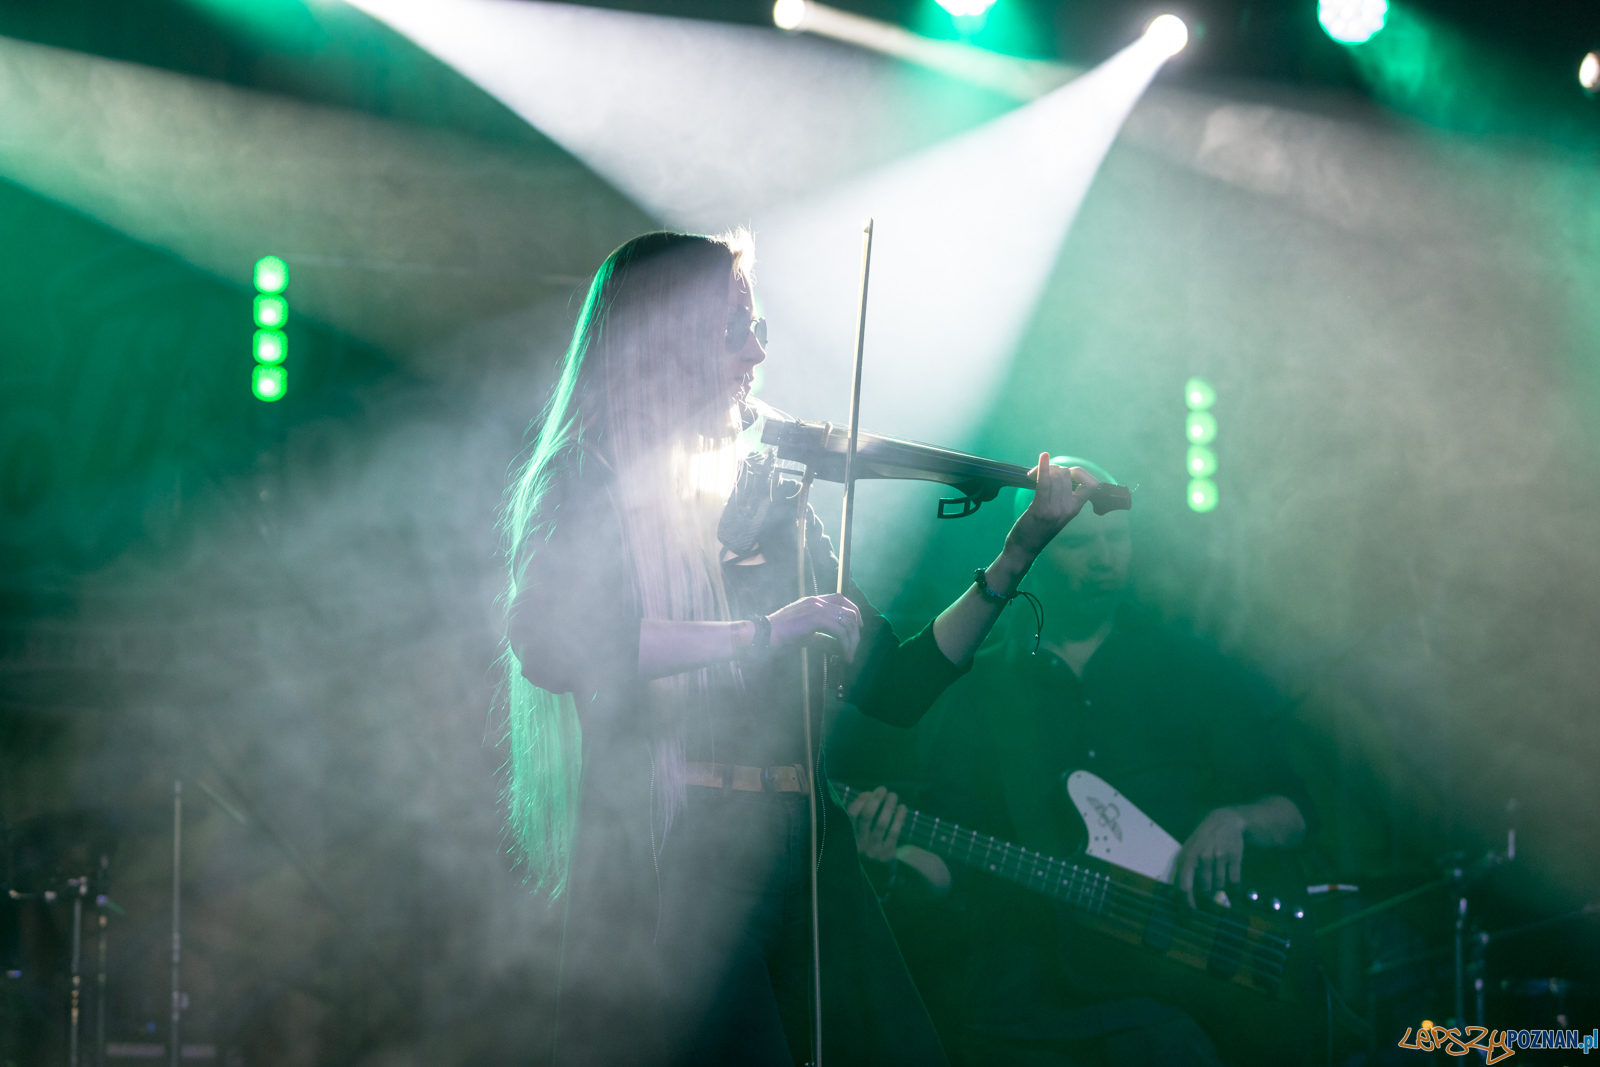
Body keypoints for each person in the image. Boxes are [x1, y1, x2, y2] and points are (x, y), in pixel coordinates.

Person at [501, 231, 1098, 1067]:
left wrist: (1020, 548)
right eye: (730, 328)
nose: (754, 352)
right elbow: (552, 642)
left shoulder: (768, 497)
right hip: (677, 863)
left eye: (759, 327)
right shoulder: (588, 479)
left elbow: (900, 685)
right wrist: (761, 632)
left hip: (800, 851)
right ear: (663, 341)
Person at [847, 457, 1314, 1067]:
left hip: (1196, 982)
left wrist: (1237, 819)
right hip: (1044, 997)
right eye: (1081, 544)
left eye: (1116, 539)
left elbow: (1295, 809)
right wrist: (890, 862)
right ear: (1039, 552)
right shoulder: (981, 690)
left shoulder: (1186, 667)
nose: (1105, 559)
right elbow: (947, 850)